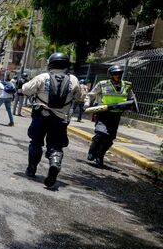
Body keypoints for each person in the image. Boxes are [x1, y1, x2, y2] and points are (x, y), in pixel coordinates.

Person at [21, 53, 83, 187]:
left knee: (36, 143)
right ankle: (54, 164)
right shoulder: (73, 80)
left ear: (51, 63)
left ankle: (31, 170)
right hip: (60, 119)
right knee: (56, 146)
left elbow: (26, 90)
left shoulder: (43, 77)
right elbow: (80, 97)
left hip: (41, 116)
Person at [84, 65, 135, 167]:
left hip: (116, 115)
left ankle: (100, 156)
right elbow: (91, 95)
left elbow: (131, 99)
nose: (118, 75)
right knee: (100, 134)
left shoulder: (127, 85)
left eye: (119, 73)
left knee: (109, 139)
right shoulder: (103, 84)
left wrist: (129, 107)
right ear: (111, 75)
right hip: (103, 113)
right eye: (115, 73)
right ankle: (92, 150)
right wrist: (86, 104)